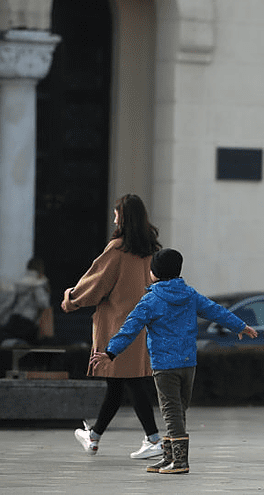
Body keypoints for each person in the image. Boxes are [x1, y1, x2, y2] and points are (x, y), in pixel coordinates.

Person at [90, 248, 258, 474]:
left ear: (155, 273)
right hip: (188, 362)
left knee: (170, 411)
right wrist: (240, 326)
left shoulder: (150, 300)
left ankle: (179, 461)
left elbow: (129, 329)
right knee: (178, 410)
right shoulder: (189, 294)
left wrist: (110, 352)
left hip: (164, 365)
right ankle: (168, 457)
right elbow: (215, 310)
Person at [61, 194, 163, 459]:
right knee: (121, 383)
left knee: (127, 382)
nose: (114, 216)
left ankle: (153, 439)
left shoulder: (117, 250)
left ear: (124, 217)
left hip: (117, 325)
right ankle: (94, 437)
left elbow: (96, 283)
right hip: (141, 325)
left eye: (117, 213)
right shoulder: (151, 251)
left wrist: (71, 298)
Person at [0, 257, 52, 346]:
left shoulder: (20, 281)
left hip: (14, 318)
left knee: (8, 343)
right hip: (27, 321)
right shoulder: (38, 283)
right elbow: (43, 303)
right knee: (31, 348)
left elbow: (9, 303)